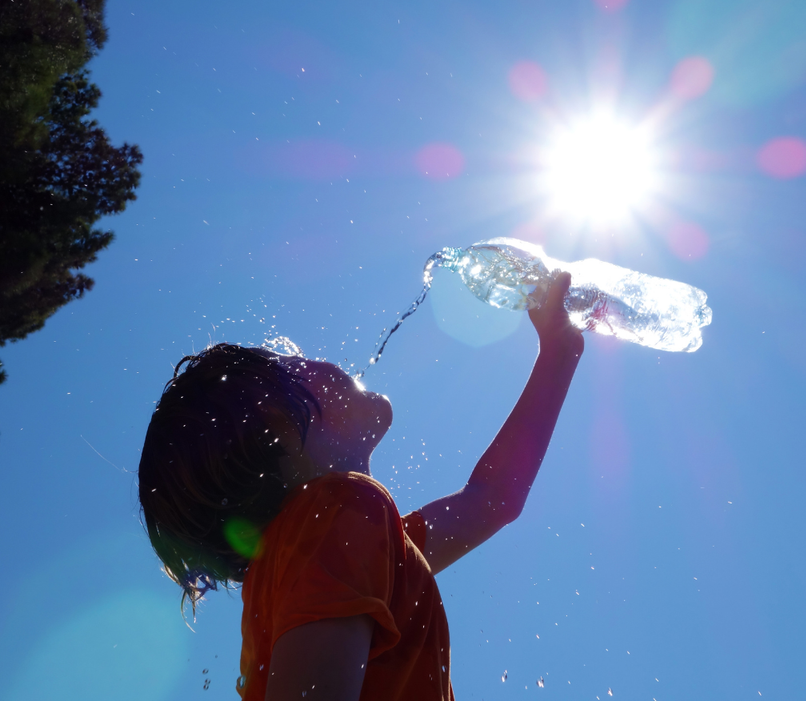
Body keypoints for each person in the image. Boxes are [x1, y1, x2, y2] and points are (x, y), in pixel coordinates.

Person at [138, 272, 583, 701]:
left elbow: (491, 500)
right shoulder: (334, 516)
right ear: (279, 427)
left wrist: (559, 352)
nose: (318, 360)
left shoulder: (334, 546)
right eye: (294, 365)